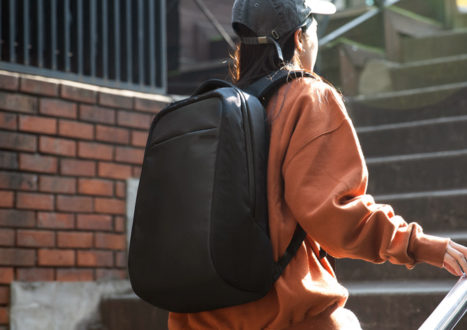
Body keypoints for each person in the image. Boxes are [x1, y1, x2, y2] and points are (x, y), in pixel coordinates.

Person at [169, 0, 467, 328]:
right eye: (314, 28)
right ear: (299, 38)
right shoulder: (307, 97)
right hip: (283, 316)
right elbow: (338, 217)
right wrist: (420, 245)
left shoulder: (213, 110)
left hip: (198, 317)